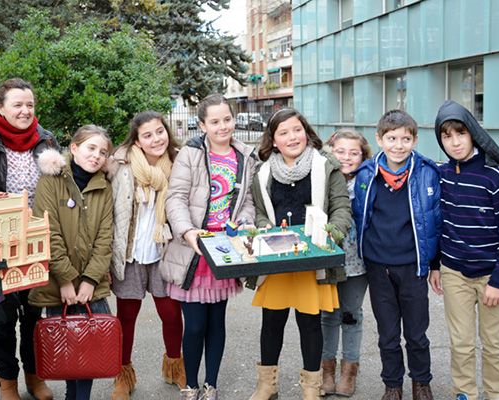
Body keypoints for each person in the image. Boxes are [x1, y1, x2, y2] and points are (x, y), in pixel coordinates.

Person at [248, 109, 351, 400]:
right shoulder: (264, 171)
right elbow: (258, 211)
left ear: (306, 131)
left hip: (312, 258)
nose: (292, 136)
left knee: (309, 323)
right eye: (283, 132)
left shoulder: (326, 165)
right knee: (272, 322)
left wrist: (334, 230)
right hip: (276, 259)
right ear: (274, 140)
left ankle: (311, 388)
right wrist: (263, 227)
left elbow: (341, 206)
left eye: (296, 129)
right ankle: (267, 385)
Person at [160, 93, 258, 400]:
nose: (222, 126)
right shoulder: (189, 155)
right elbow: (175, 197)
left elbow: (249, 202)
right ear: (202, 125)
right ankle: (190, 384)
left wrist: (242, 222)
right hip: (194, 250)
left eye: (227, 119)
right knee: (195, 326)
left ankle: (210, 384)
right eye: (214, 122)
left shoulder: (244, 156)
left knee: (217, 322)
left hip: (225, 249)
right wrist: (188, 233)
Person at [428, 100, 499, 400]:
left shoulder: (496, 176)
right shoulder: (441, 174)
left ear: (473, 134)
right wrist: (435, 264)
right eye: (447, 136)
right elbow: (437, 223)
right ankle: (465, 393)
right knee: (461, 343)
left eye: (461, 133)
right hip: (454, 272)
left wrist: (498, 281)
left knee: (493, 343)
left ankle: (496, 393)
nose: (454, 142)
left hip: (491, 276)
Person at [351, 110, 441, 400]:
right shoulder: (367, 173)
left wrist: (435, 263)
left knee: (416, 332)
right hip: (378, 265)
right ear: (379, 139)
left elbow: (436, 220)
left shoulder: (427, 172)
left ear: (414, 140)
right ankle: (392, 384)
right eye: (391, 138)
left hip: (413, 266)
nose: (398, 145)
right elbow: (357, 214)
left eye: (405, 138)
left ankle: (421, 382)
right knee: (387, 332)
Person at [0, 78, 59, 400]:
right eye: (17, 104)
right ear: (0, 107)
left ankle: (34, 376)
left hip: (36, 240)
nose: (25, 111)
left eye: (29, 105)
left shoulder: (45, 139)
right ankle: (7, 382)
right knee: (3, 318)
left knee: (33, 315)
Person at [29, 125, 114, 400]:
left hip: (92, 284)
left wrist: (90, 279)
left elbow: (105, 237)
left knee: (90, 348)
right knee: (66, 347)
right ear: (74, 148)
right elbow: (47, 232)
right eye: (91, 148)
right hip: (59, 284)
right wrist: (66, 279)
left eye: (103, 152)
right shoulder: (50, 181)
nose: (97, 156)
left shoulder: (103, 187)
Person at [107, 111, 185, 399]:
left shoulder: (178, 163)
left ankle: (175, 367)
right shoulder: (120, 166)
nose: (156, 139)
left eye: (160, 131)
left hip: (164, 251)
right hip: (129, 253)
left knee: (171, 313)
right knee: (126, 316)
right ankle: (123, 375)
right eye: (148, 135)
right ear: (137, 142)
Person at [319, 129, 372, 397]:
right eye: (340, 151)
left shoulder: (368, 181)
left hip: (358, 261)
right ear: (330, 150)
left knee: (351, 313)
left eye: (354, 153)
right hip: (329, 258)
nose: (347, 157)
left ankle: (349, 370)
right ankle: (326, 369)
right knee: (328, 314)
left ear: (363, 156)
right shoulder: (322, 178)